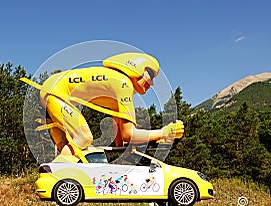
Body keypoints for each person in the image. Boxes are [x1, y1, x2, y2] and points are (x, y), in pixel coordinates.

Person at [22, 52, 184, 161]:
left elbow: (121, 138)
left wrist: (130, 146)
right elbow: (129, 134)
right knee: (84, 137)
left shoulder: (116, 84)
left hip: (52, 90)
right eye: (150, 75)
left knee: (71, 151)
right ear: (136, 68)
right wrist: (163, 132)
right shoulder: (123, 83)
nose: (152, 83)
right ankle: (56, 176)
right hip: (56, 92)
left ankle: (57, 179)